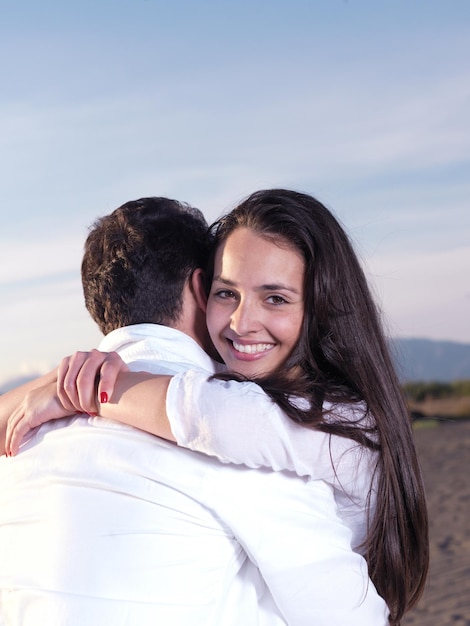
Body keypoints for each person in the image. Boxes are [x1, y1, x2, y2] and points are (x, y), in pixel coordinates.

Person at [0, 196, 389, 625]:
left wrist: (74, 388)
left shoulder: (23, 441)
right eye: (228, 293)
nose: (242, 324)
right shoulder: (253, 463)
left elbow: (211, 414)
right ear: (202, 289)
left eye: (275, 298)